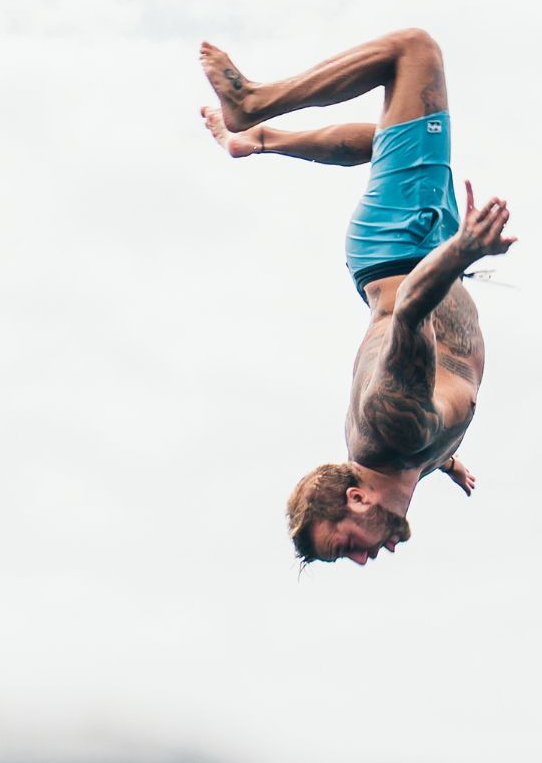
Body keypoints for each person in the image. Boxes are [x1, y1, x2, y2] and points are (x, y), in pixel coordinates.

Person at [198, 28, 516, 565]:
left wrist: (464, 250)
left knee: (414, 52)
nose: (366, 558)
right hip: (407, 248)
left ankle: (252, 105)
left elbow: (414, 308)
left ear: (357, 498)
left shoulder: (394, 431)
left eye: (347, 545)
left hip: (408, 243)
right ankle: (258, 141)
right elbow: (420, 402)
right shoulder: (403, 453)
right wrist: (447, 459)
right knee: (388, 140)